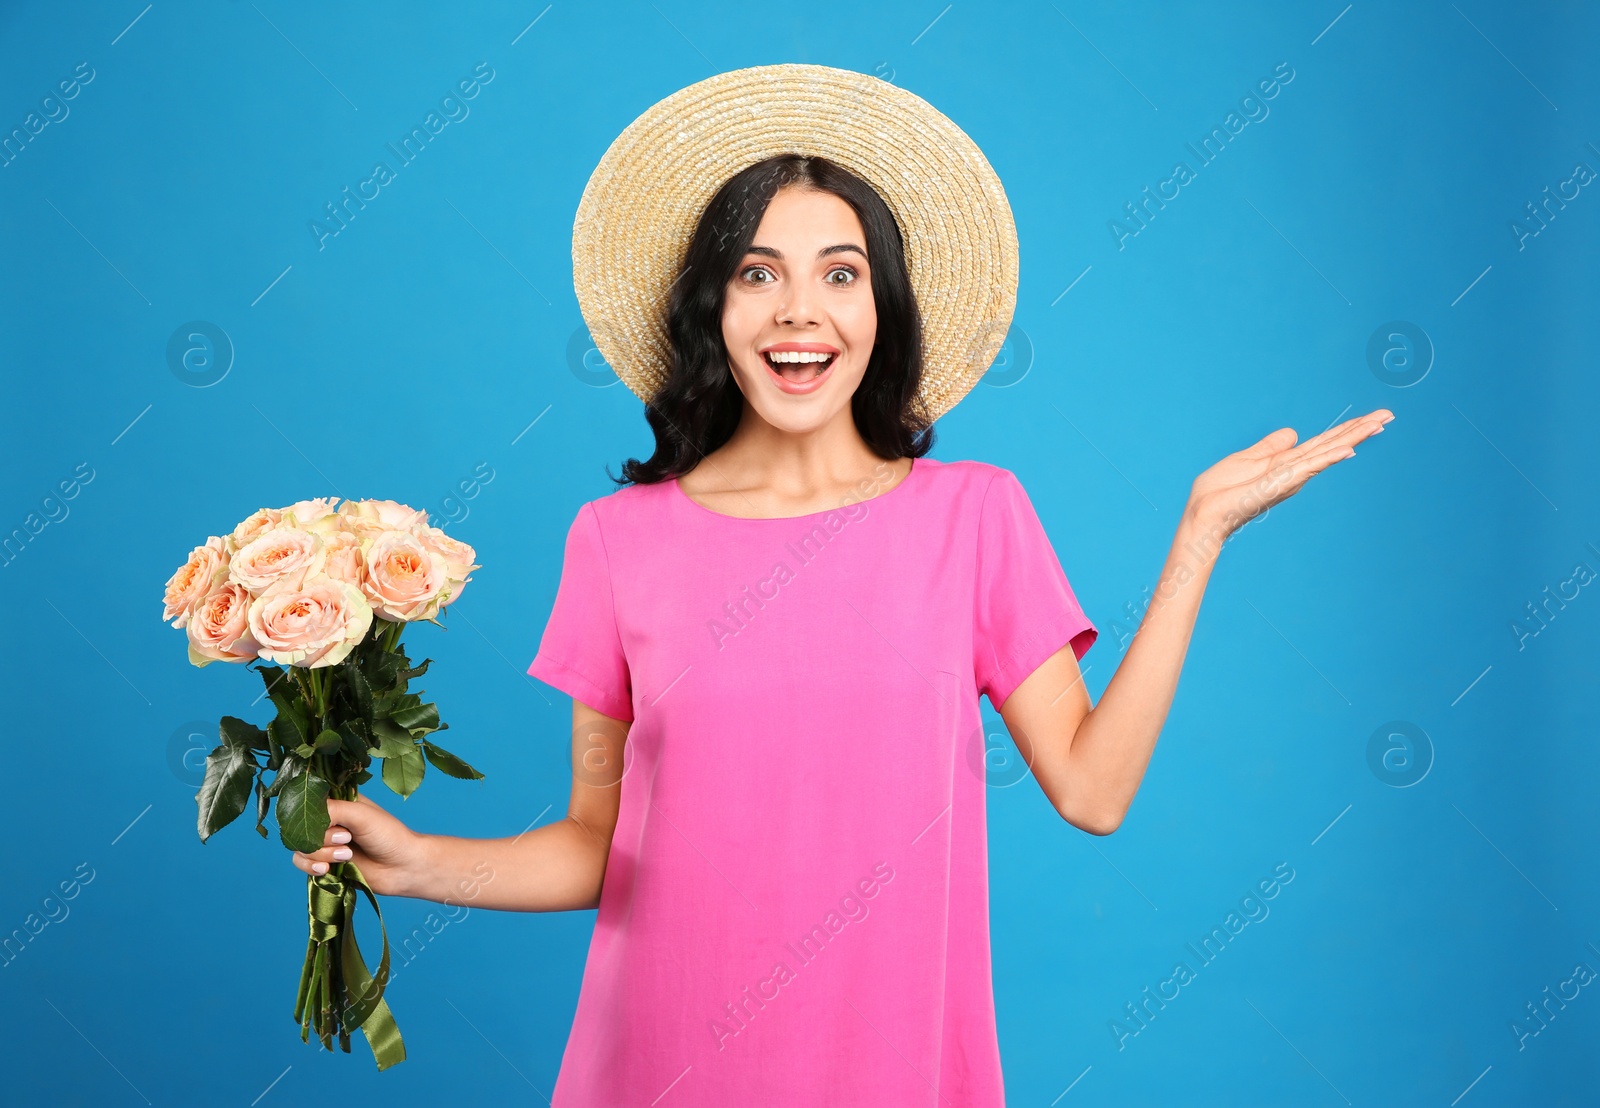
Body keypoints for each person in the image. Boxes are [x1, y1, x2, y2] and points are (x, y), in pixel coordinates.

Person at [286, 64, 1392, 1104]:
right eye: (757, 272)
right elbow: (597, 844)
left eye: (840, 273)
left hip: (894, 1067)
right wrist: (426, 864)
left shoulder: (973, 517)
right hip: (663, 1062)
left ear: (882, 309)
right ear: (713, 308)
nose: (798, 311)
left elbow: (1093, 792)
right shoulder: (618, 540)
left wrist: (1197, 538)